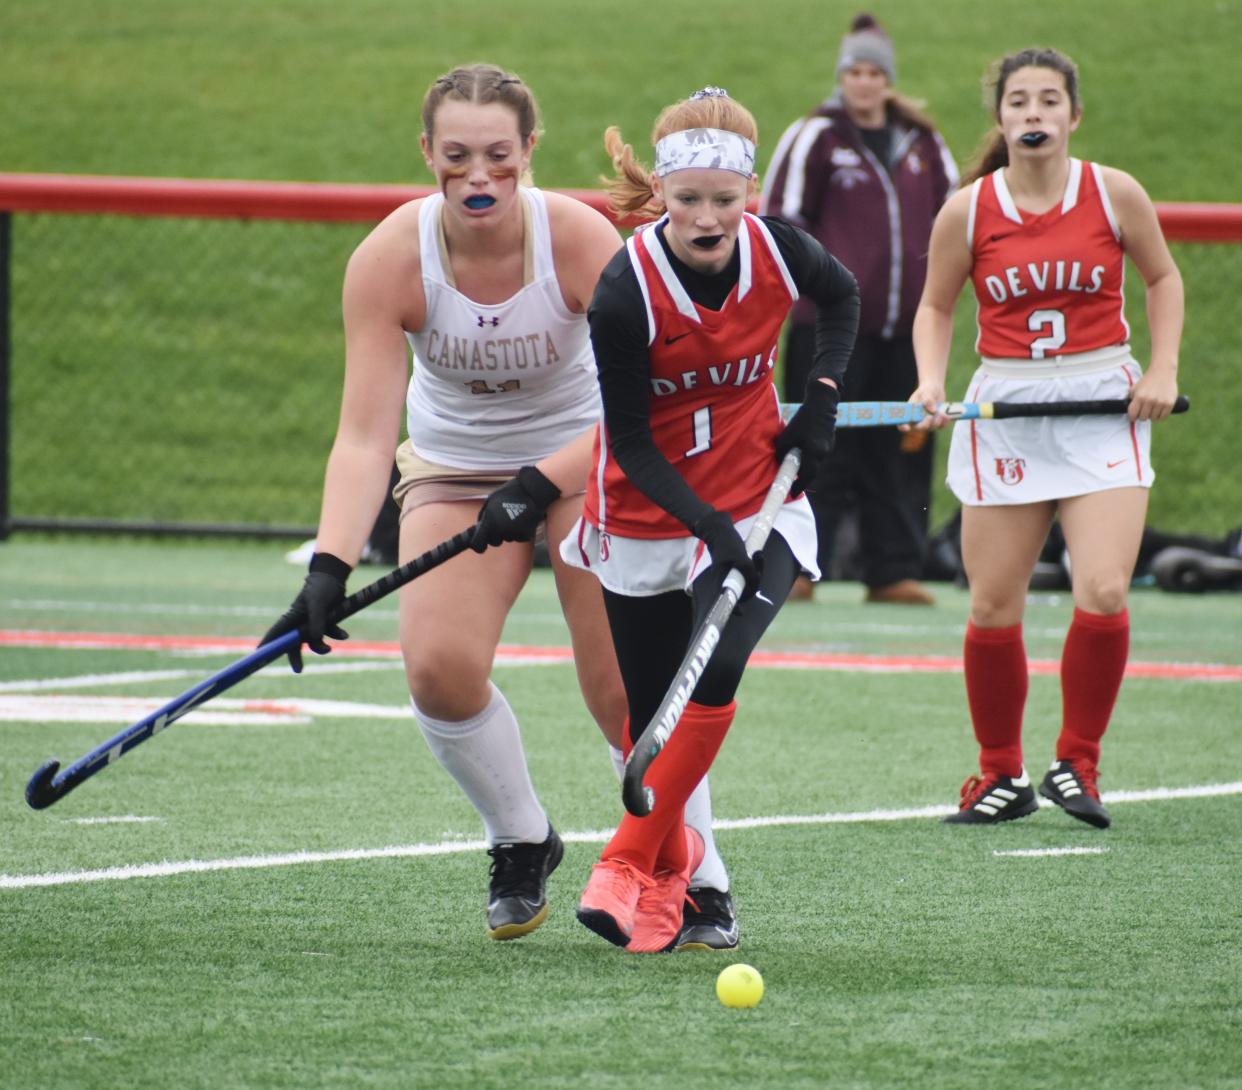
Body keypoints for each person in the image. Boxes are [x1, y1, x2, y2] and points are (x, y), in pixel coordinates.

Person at [260, 63, 739, 945]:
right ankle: (521, 838)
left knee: (622, 690)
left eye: (496, 156)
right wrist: (328, 565)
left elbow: (652, 411)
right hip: (454, 467)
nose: (477, 177)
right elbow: (365, 436)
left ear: (528, 151)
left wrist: (543, 481)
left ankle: (699, 876)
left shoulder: (582, 242)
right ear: (427, 155)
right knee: (437, 670)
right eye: (455, 157)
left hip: (595, 459)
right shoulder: (389, 260)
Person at [561, 87, 860, 952]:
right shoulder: (625, 292)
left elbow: (839, 304)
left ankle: (623, 862)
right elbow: (633, 446)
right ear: (662, 192)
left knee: (717, 665)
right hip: (646, 513)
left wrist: (822, 398)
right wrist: (707, 527)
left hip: (760, 498)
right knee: (653, 721)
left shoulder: (780, 249)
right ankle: (697, 887)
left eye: (723, 201)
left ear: (750, 195)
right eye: (687, 200)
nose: (706, 217)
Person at [908, 47, 1183, 828]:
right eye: (1020, 102)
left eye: (1049, 101)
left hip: (1103, 404)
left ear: (1073, 115)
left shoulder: (1114, 193)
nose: (1034, 114)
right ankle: (1000, 774)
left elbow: (1163, 279)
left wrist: (1160, 370)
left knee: (1103, 588)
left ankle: (1078, 762)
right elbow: (935, 307)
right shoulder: (969, 208)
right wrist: (932, 381)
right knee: (993, 604)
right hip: (1008, 411)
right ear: (1001, 118)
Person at [761, 13, 958, 605]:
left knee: (900, 450)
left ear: (889, 79)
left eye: (876, 72)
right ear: (842, 77)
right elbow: (783, 223)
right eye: (856, 71)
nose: (865, 83)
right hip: (831, 328)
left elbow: (954, 219)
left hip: (906, 327)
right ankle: (795, 566)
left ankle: (893, 569)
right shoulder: (814, 136)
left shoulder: (924, 143)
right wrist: (818, 294)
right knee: (819, 443)